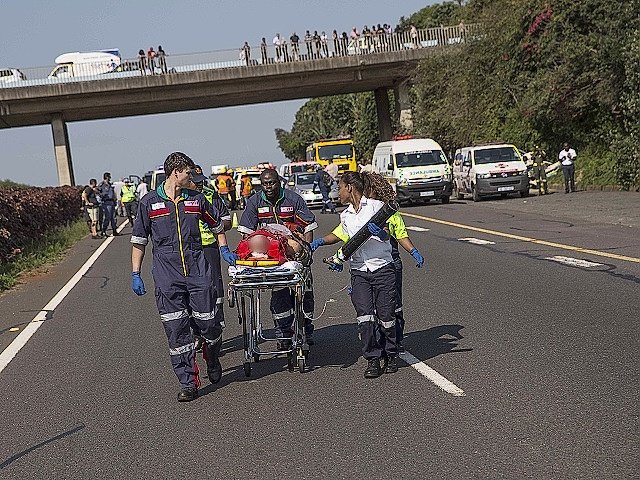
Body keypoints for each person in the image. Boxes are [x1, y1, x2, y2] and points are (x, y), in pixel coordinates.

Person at [130, 152, 230, 402]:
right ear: (176, 172)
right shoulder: (149, 203)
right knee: (177, 331)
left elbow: (217, 225)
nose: (192, 175)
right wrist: (136, 273)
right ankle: (189, 382)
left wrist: (224, 248)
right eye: (188, 171)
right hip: (167, 276)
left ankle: (212, 355)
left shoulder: (196, 199)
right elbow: (139, 241)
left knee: (208, 323)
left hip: (198, 269)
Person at [309, 171, 397, 378]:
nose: (337, 192)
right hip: (359, 271)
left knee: (386, 317)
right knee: (364, 317)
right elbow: (345, 237)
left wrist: (380, 232)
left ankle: (391, 353)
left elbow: (388, 235)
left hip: (382, 268)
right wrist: (324, 246)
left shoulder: (376, 207)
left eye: (339, 187)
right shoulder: (345, 215)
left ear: (349, 187)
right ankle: (373, 359)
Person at [237, 168, 318, 346]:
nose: (269, 187)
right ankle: (283, 333)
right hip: (273, 256)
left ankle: (306, 328)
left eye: (272, 183)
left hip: (295, 253)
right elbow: (246, 233)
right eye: (265, 184)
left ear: (279, 182)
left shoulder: (293, 199)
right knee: (279, 295)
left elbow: (309, 226)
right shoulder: (255, 201)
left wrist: (307, 252)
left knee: (305, 294)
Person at [189, 165, 234, 351]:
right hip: (189, 249)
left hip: (210, 247)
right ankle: (197, 333)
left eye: (201, 183)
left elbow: (227, 221)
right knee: (192, 290)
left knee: (215, 289)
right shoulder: (178, 198)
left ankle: (216, 329)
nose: (199, 187)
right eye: (195, 183)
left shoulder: (210, 194)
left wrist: (215, 224)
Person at [98, 172, 118, 237]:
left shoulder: (110, 184)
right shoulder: (102, 185)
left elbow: (112, 192)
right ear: (106, 177)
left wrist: (115, 200)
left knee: (113, 217)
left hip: (111, 202)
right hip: (106, 203)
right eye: (109, 177)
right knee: (107, 217)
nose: (110, 178)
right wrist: (103, 196)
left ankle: (114, 230)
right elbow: (98, 192)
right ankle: (103, 231)